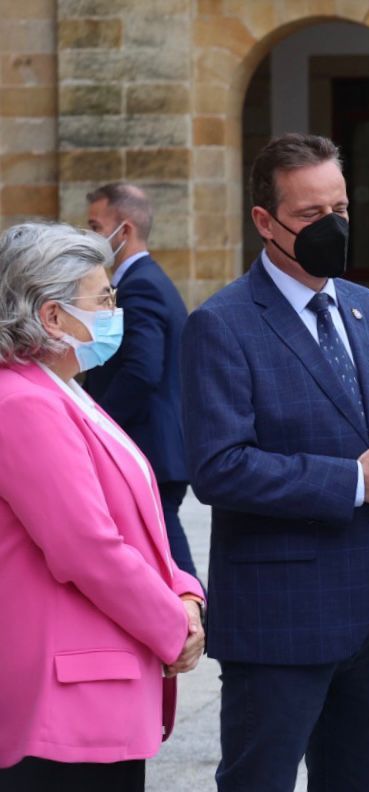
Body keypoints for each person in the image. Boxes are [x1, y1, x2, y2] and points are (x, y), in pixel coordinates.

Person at [181, 132, 369, 792]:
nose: (331, 228)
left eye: (341, 210)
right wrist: (354, 479)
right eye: (309, 216)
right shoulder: (223, 323)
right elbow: (219, 466)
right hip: (279, 617)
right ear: (265, 222)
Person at [0, 222, 205, 791]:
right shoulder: (24, 403)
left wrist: (185, 588)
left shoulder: (62, 390)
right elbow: (85, 546)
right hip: (63, 699)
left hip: (92, 685)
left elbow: (135, 519)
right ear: (52, 316)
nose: (116, 310)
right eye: (104, 298)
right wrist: (172, 625)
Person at [84, 182, 198, 580]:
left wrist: (96, 423)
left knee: (166, 551)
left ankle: (198, 620)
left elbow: (142, 370)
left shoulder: (141, 286)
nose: (92, 237)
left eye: (96, 227)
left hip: (149, 445)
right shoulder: (144, 281)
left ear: (125, 230)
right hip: (153, 445)